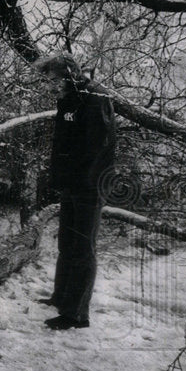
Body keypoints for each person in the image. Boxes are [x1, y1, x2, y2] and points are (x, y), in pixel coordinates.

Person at [35, 54, 117, 330]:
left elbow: (99, 149)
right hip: (73, 182)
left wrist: (81, 183)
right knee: (66, 243)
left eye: (54, 81)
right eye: (47, 82)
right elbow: (63, 143)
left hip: (90, 185)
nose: (50, 87)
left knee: (82, 247)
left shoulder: (96, 98)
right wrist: (58, 179)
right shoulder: (70, 97)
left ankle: (76, 315)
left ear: (70, 74)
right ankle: (61, 298)